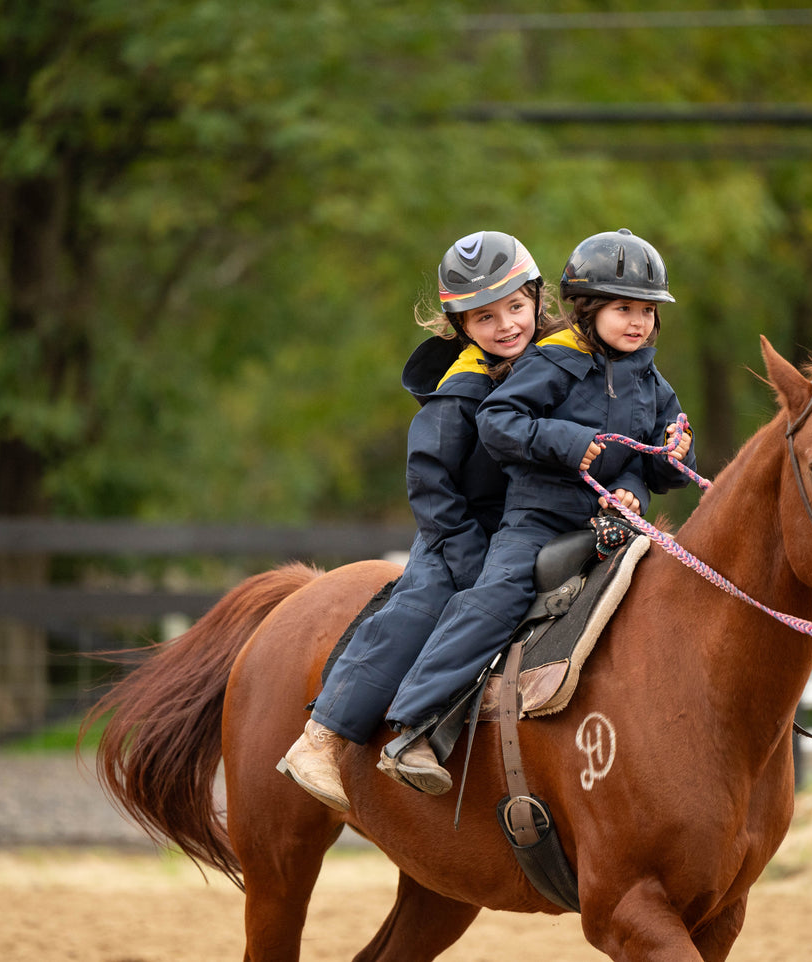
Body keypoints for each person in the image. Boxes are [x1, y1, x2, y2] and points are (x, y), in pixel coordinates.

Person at [378, 228, 696, 794]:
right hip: (536, 520)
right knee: (497, 596)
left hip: (608, 527)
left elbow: (659, 470)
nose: (638, 322)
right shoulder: (553, 361)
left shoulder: (656, 385)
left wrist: (667, 464)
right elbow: (498, 421)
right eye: (623, 308)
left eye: (647, 311)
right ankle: (413, 726)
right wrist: (570, 443)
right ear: (588, 309)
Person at [278, 230, 555, 811]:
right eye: (484, 317)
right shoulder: (457, 394)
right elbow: (430, 485)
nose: (505, 325)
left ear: (536, 299)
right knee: (421, 605)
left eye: (515, 307)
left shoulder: (565, 364)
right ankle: (323, 735)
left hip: (540, 523)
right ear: (461, 327)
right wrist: (468, 558)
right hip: (459, 530)